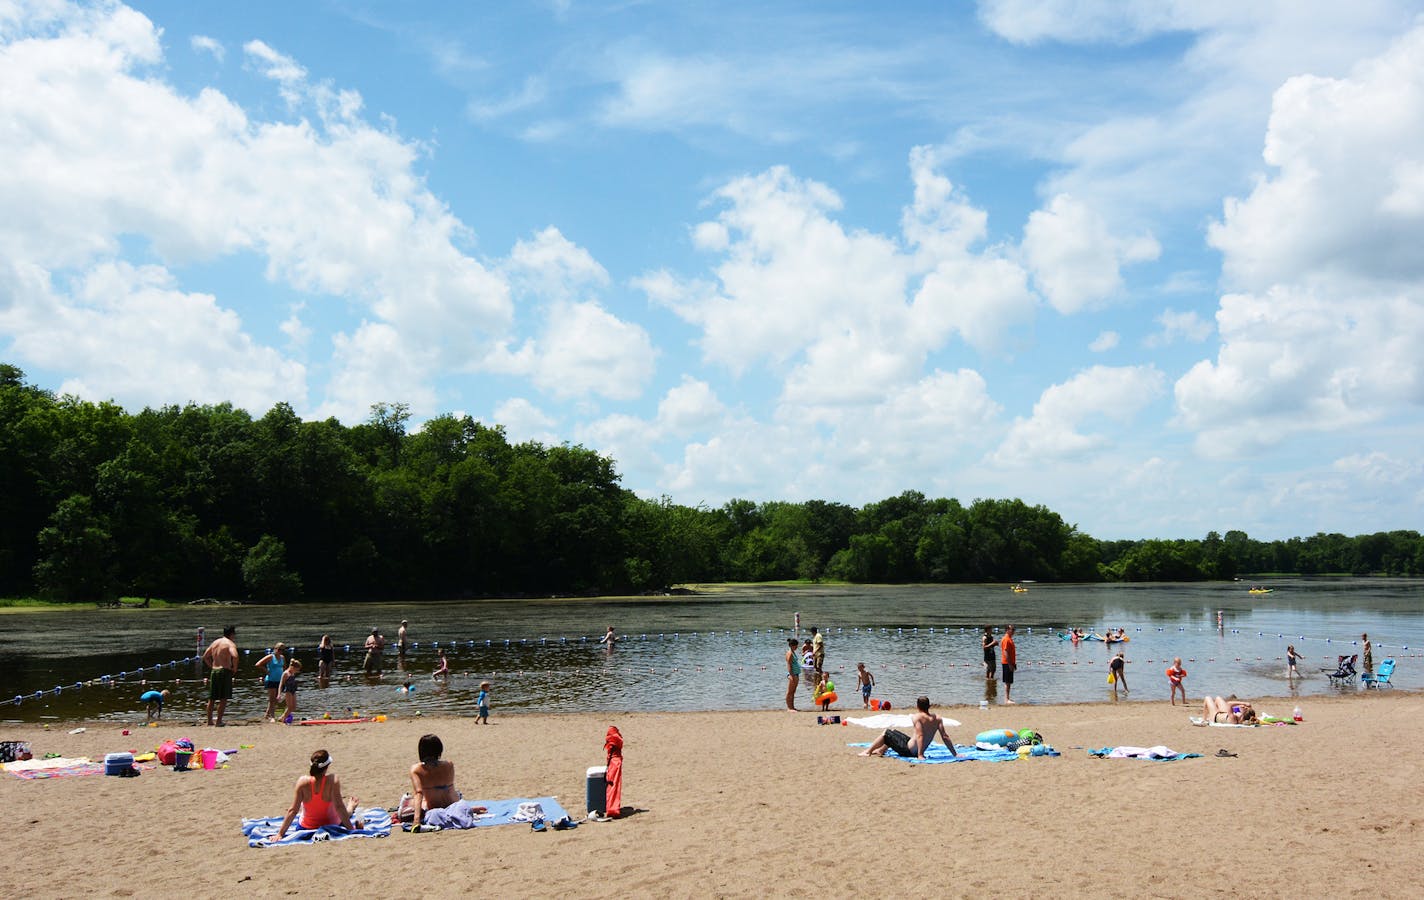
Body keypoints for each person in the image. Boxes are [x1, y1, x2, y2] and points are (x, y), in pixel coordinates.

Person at [275, 749, 361, 839]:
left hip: (306, 827)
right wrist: (352, 830)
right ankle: (351, 807)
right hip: (332, 825)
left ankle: (351, 807)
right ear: (327, 766)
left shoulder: (302, 782)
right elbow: (339, 807)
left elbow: (293, 810)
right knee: (342, 811)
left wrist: (280, 834)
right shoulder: (332, 780)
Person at [859, 696, 957, 759]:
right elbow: (945, 736)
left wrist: (920, 755)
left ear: (917, 706)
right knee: (894, 732)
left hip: (909, 751)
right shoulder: (937, 718)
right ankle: (881, 750)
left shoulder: (917, 717)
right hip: (913, 746)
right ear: (929, 706)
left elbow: (920, 735)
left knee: (886, 733)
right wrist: (955, 754)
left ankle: (868, 752)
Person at [408, 734, 462, 828]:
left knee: (410, 801)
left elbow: (419, 793)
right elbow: (448, 790)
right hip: (453, 803)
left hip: (433, 806)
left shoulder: (416, 769)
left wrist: (416, 820)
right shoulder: (449, 765)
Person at [202, 625, 239, 726]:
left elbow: (205, 657)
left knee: (212, 698)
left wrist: (212, 667)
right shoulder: (230, 644)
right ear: (232, 634)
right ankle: (219, 721)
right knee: (223, 698)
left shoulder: (215, 642)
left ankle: (209, 721)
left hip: (214, 671)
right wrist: (234, 668)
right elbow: (235, 656)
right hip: (225, 671)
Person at [255, 642, 288, 722]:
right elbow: (258, 664)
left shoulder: (282, 657)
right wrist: (267, 672)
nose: (280, 651)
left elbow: (284, 667)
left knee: (277, 699)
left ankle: (266, 714)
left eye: (282, 650)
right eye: (279, 649)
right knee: (272, 699)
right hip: (271, 680)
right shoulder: (270, 657)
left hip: (279, 680)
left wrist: (285, 678)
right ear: (275, 649)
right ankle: (272, 717)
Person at [1000, 624, 1017, 704]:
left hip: (1010, 663)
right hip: (1007, 663)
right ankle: (1007, 699)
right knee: (1007, 682)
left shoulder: (1009, 639)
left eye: (1014, 629)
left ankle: (1007, 698)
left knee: (1009, 682)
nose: (1014, 631)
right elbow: (1005, 652)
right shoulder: (1006, 639)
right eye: (1012, 629)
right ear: (1007, 630)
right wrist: (1010, 664)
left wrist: (1013, 664)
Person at [785, 638, 801, 711]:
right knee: (790, 692)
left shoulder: (793, 652)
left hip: (796, 674)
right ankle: (789, 708)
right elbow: (789, 664)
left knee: (793, 691)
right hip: (792, 674)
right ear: (791, 645)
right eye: (796, 646)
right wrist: (791, 675)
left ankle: (792, 707)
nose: (796, 647)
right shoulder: (790, 653)